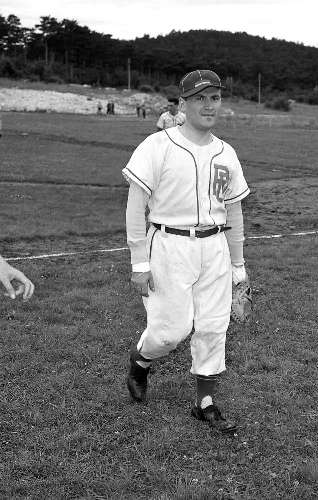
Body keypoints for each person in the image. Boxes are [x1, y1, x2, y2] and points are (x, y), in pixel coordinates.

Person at [123, 69, 250, 433]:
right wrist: (139, 263)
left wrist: (239, 266)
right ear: (183, 104)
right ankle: (141, 360)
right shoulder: (157, 145)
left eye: (215, 98)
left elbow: (234, 212)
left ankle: (204, 402)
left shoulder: (226, 153)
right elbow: (135, 207)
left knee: (213, 325)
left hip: (215, 247)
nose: (209, 106)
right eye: (199, 99)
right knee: (170, 332)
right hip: (169, 245)